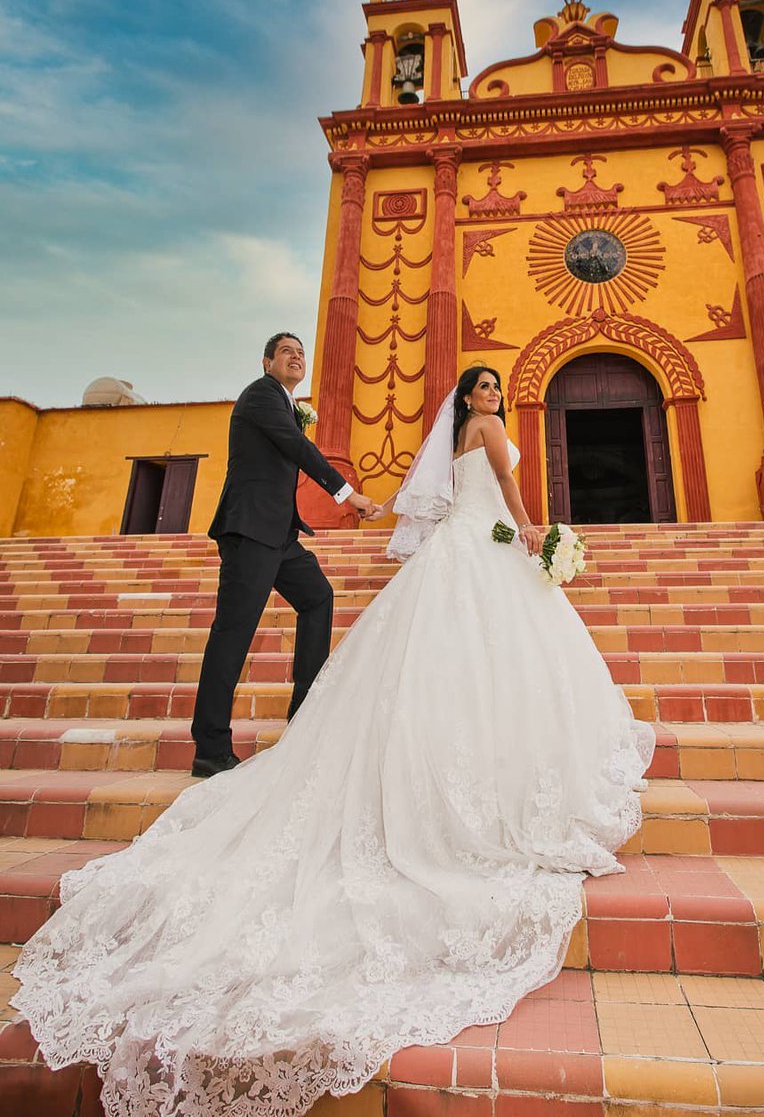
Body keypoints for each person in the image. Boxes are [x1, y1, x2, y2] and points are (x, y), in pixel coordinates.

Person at [12, 364, 654, 1117]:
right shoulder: (486, 431)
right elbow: (506, 495)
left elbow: (466, 497)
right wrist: (534, 530)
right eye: (480, 387)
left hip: (468, 548)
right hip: (483, 546)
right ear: (472, 401)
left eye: (492, 388)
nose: (489, 395)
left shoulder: (461, 436)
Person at [190, 332, 374, 778]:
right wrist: (348, 494)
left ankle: (304, 714)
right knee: (233, 634)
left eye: (301, 352)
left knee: (317, 597)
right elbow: (298, 448)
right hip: (250, 531)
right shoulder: (261, 396)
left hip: (278, 534)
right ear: (266, 362)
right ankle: (210, 748)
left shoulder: (286, 404)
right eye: (286, 352)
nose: (296, 357)